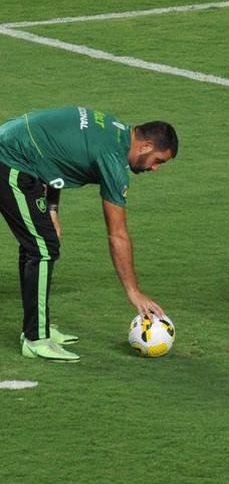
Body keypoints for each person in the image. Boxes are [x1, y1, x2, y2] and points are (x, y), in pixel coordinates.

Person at [0, 107, 177, 362]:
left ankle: (37, 328)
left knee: (40, 245)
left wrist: (52, 208)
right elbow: (117, 234)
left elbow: (55, 153)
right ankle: (35, 339)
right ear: (146, 146)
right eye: (158, 160)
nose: (155, 168)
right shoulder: (113, 159)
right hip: (11, 160)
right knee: (42, 249)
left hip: (18, 150)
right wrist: (133, 291)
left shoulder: (113, 129)